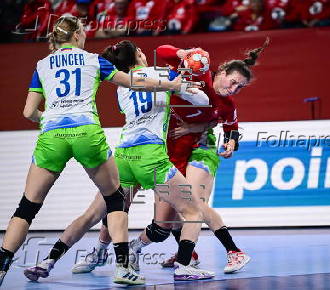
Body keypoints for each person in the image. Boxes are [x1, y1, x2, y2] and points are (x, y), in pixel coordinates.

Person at [0, 16, 192, 287]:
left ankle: (4, 264)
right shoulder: (93, 59)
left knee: (27, 207)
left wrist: (48, 118)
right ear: (77, 35)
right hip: (89, 134)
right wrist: (172, 85)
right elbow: (134, 82)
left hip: (53, 136)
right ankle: (123, 267)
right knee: (115, 200)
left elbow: (28, 112)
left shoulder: (42, 65)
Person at [22, 39, 231, 282]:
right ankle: (184, 266)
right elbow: (202, 100)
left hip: (123, 157)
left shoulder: (121, 86)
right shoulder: (162, 73)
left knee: (92, 214)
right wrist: (185, 85)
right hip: (151, 159)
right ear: (140, 53)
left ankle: (48, 261)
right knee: (192, 210)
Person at [66, 39, 269, 275]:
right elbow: (163, 52)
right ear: (221, 72)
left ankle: (231, 252)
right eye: (233, 82)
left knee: (194, 202)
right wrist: (182, 54)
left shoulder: (226, 103)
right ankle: (110, 250)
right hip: (161, 150)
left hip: (200, 147)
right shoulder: (189, 74)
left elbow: (231, 127)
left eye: (240, 87)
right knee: (158, 222)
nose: (234, 89)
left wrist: (228, 140)